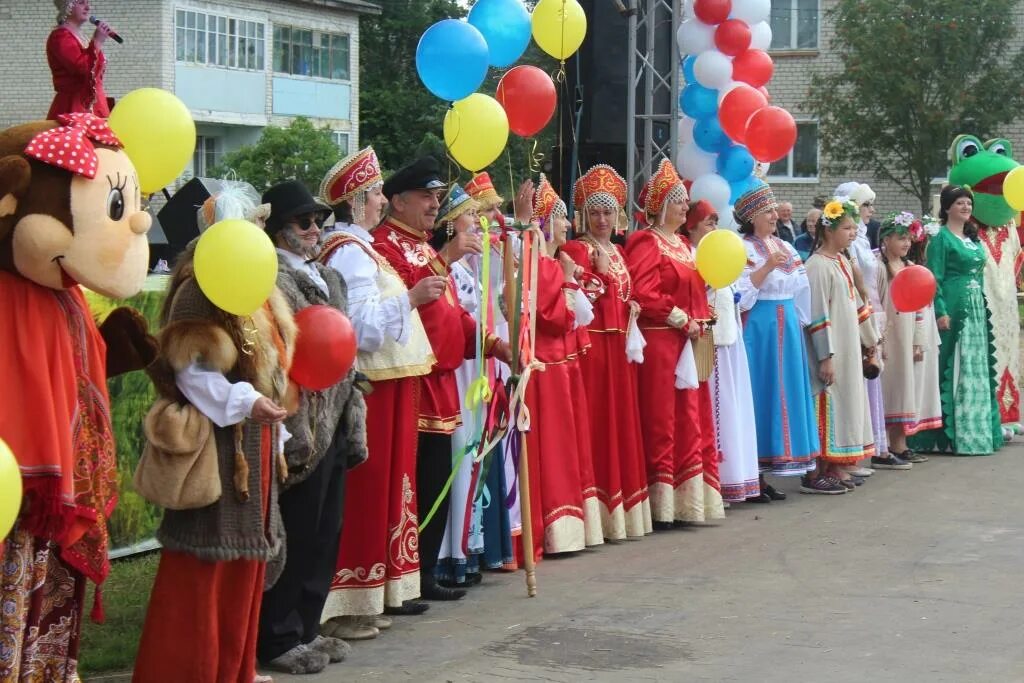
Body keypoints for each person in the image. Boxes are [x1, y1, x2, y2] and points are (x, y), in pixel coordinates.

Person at [133, 193, 295, 683]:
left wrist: (274, 421)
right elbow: (192, 373)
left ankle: (233, 668)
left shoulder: (252, 289)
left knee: (244, 563)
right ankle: (188, 672)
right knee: (207, 564)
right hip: (217, 446)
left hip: (253, 444)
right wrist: (247, 402)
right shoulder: (196, 290)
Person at [372, 157, 510, 600]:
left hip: (442, 382)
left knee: (435, 480)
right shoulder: (384, 246)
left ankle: (424, 573)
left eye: (437, 197)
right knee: (411, 482)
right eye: (427, 197)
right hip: (412, 382)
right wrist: (445, 258)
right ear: (397, 201)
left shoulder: (423, 245)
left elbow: (452, 316)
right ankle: (403, 576)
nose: (435, 205)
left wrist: (494, 344)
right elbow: (403, 302)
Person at [317, 147, 440, 629]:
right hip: (373, 387)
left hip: (390, 385)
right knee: (369, 493)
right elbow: (358, 325)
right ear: (355, 202)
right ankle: (350, 597)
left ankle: (373, 591)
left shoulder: (360, 247)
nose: (380, 202)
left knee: (389, 491)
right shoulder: (349, 251)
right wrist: (410, 298)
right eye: (372, 195)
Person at [255, 181, 368, 675]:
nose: (315, 229)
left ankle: (307, 625)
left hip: (339, 411)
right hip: (301, 418)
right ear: (280, 230)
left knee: (327, 529)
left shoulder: (328, 276)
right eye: (304, 222)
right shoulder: (271, 277)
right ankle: (278, 634)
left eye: (318, 220)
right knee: (297, 528)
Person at [626, 159, 724, 527]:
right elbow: (644, 293)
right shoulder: (646, 242)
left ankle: (688, 500)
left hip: (690, 341)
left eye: (685, 201)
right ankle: (660, 504)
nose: (686, 207)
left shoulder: (683, 245)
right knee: (662, 419)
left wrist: (702, 312)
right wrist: (682, 318)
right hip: (663, 344)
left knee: (691, 418)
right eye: (679, 200)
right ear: (662, 206)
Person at [561, 164, 653, 540]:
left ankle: (623, 512)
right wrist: (597, 275)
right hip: (594, 349)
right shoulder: (575, 249)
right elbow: (577, 299)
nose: (602, 219)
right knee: (598, 423)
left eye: (608, 211)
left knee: (621, 421)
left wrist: (633, 305)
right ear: (583, 215)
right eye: (595, 211)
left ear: (618, 215)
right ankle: (596, 510)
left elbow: (627, 293)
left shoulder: (620, 250)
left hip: (619, 349)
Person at [520, 175, 593, 558]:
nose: (567, 225)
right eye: (561, 218)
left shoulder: (550, 262)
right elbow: (554, 318)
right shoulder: (544, 266)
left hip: (558, 365)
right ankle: (553, 525)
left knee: (563, 443)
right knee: (552, 446)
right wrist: (566, 281)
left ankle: (565, 525)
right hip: (545, 368)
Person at [909, 185, 1003, 455]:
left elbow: (980, 274)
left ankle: (974, 431)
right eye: (960, 203)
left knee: (974, 365)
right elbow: (933, 277)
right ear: (947, 207)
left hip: (974, 308)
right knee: (950, 363)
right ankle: (938, 435)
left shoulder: (973, 240)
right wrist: (940, 311)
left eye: (968, 203)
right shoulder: (941, 239)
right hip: (952, 303)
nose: (966, 207)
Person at [736, 183, 819, 489]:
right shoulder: (742, 248)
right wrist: (767, 267)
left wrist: (800, 323)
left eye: (772, 211)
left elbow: (801, 287)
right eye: (767, 211)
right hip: (760, 326)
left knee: (786, 391)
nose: (773, 216)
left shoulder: (785, 246)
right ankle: (754, 471)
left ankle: (777, 465)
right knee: (761, 391)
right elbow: (741, 293)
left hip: (786, 326)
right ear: (752, 217)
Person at [428, 184, 489, 586]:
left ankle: (462, 548)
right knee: (455, 457)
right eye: (472, 216)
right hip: (456, 369)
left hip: (474, 364)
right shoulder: (445, 267)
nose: (479, 224)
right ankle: (447, 555)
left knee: (470, 457)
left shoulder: (463, 268)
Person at [686, 200, 761, 504]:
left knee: (735, 407)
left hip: (730, 343)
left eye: (717, 223)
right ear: (691, 227)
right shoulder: (690, 257)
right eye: (708, 223)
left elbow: (737, 299)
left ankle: (738, 476)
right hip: (708, 344)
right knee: (719, 408)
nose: (714, 229)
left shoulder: (717, 254)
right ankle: (718, 479)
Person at [803, 198, 881, 494]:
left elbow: (858, 305)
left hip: (848, 347)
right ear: (828, 231)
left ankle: (835, 467)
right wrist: (825, 357)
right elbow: (817, 314)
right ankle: (815, 474)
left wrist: (870, 340)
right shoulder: (817, 266)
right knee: (827, 404)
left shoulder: (842, 262)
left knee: (846, 403)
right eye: (847, 228)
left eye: (853, 228)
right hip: (832, 350)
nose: (852, 233)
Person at [877, 212, 938, 463]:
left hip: (907, 336)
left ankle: (900, 443)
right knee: (889, 388)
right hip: (889, 336)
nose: (905, 244)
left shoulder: (911, 269)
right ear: (885, 239)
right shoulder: (878, 267)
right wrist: (877, 339)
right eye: (900, 238)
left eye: (909, 239)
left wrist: (918, 340)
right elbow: (876, 303)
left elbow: (922, 308)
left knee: (905, 386)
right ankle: (886, 446)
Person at [47, 0, 115, 118]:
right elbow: (82, 70)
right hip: (74, 106)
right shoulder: (60, 37)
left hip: (94, 104)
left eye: (87, 2)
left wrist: (97, 42)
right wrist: (97, 41)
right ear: (67, 6)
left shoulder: (79, 36)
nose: (87, 7)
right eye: (81, 2)